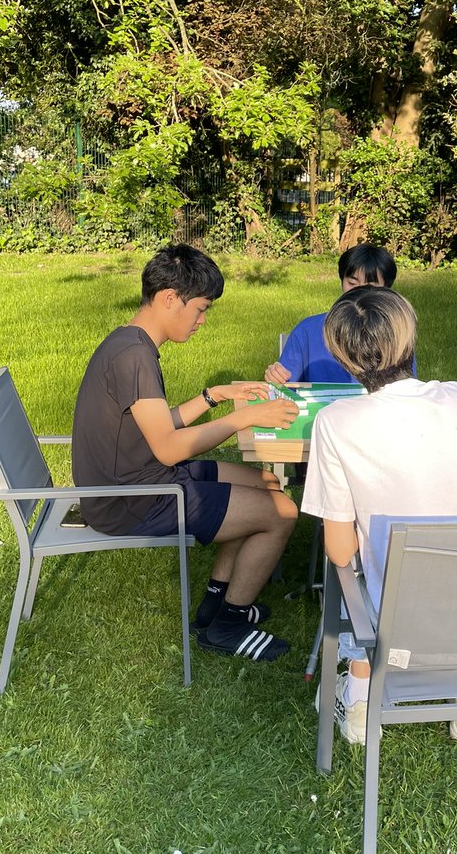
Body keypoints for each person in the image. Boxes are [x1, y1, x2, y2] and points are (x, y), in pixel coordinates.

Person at [302, 286, 457, 746]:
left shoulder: (335, 422)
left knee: (354, 569)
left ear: (344, 358)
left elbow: (340, 550)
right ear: (410, 338)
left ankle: (359, 697)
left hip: (398, 615)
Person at [71, 244, 300, 662]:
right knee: (281, 513)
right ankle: (227, 627)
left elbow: (159, 424)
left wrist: (214, 395)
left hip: (143, 477)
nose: (201, 321)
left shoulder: (130, 342)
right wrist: (245, 419)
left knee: (265, 482)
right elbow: (169, 446)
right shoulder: (134, 357)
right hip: (131, 501)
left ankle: (215, 606)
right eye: (200, 308)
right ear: (169, 298)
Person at [264, 244, 398, 385]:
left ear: (386, 290)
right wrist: (275, 377)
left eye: (370, 286)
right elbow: (285, 388)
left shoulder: (396, 334)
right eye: (352, 283)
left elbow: (405, 391)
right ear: (342, 281)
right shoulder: (308, 331)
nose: (359, 292)